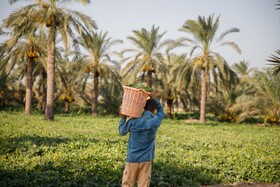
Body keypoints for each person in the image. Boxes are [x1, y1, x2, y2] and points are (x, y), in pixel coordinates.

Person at [118, 96, 164, 187]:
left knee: (127, 184)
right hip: (146, 159)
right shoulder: (155, 121)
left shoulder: (133, 121)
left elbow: (122, 131)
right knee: (143, 184)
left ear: (144, 107)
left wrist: (123, 118)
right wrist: (154, 98)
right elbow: (161, 111)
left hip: (132, 158)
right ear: (154, 110)